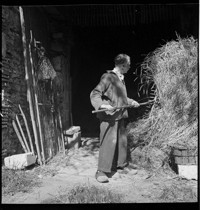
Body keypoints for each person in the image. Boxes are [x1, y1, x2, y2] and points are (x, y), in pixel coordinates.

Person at [90, 53, 140, 183]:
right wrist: (102, 105)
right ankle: (101, 171)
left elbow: (120, 99)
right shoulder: (108, 77)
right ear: (123, 65)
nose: (129, 68)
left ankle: (121, 166)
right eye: (128, 65)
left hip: (120, 115)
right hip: (109, 117)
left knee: (121, 143)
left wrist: (131, 101)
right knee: (108, 142)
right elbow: (95, 94)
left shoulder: (121, 79)